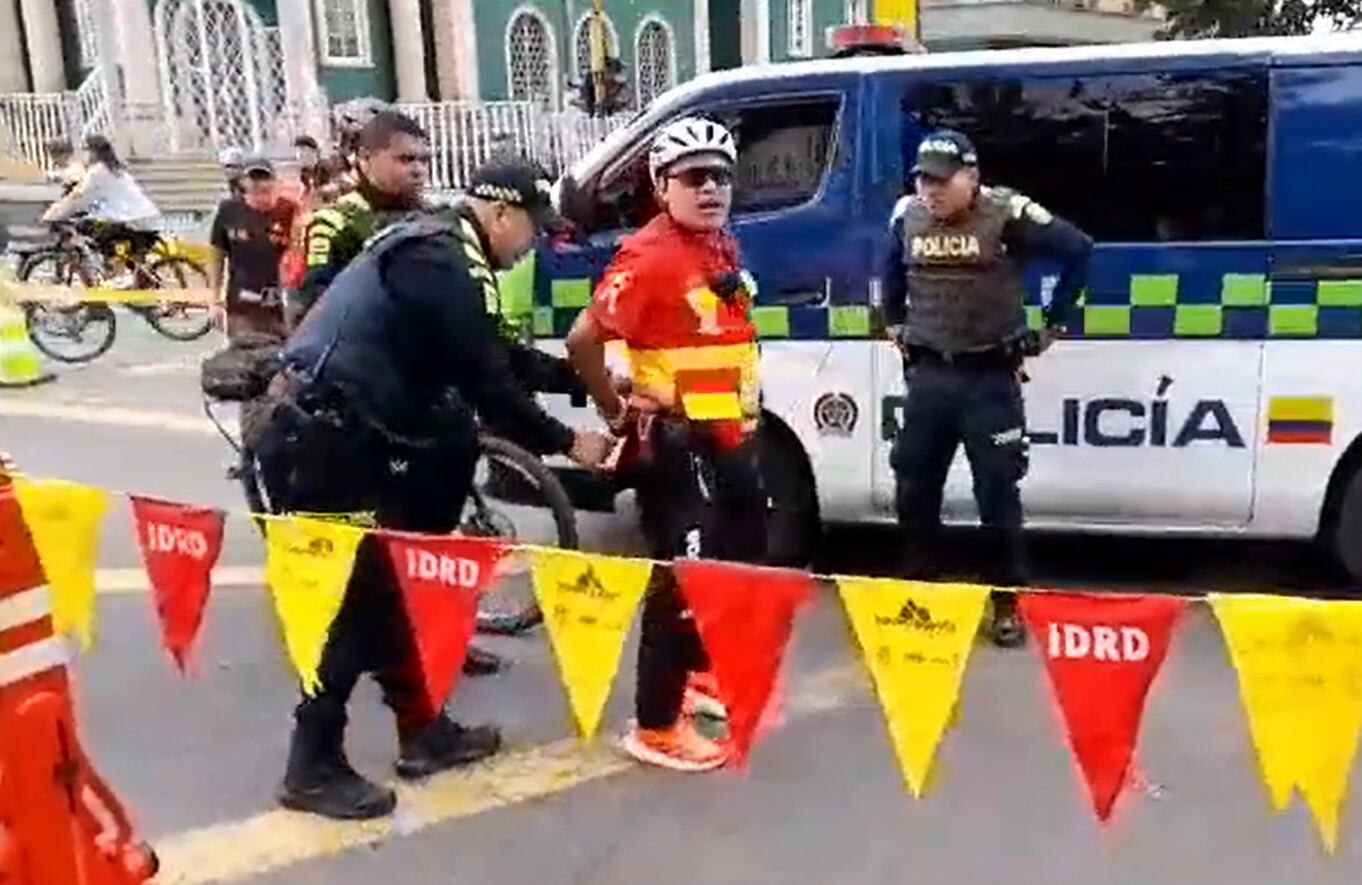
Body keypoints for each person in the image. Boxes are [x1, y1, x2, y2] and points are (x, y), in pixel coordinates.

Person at [250, 165, 613, 822]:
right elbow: (489, 385)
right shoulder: (441, 260)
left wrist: (583, 381)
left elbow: (493, 352)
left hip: (339, 436)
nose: (532, 246)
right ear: (502, 215)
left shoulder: (443, 250)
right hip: (322, 440)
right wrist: (568, 441)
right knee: (356, 606)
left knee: (384, 594)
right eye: (533, 229)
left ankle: (423, 731)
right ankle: (310, 763)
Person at [566, 116, 765, 772]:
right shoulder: (649, 255)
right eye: (694, 177)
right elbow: (582, 340)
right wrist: (614, 407)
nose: (711, 189)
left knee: (739, 555)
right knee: (683, 573)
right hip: (676, 442)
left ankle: (699, 678)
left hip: (726, 431)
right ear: (660, 185)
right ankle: (653, 723)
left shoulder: (718, 243)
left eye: (722, 176)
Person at [883, 130, 1093, 647]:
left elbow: (1079, 250)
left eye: (941, 179)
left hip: (989, 379)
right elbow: (889, 268)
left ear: (971, 177)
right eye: (923, 179)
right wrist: (892, 321)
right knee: (914, 488)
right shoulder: (905, 215)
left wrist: (1052, 326)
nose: (930, 190)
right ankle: (922, 597)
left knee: (997, 494)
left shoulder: (1008, 214)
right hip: (930, 377)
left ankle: (1005, 603)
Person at [290, 108, 428, 325]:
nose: (419, 170)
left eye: (424, 160)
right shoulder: (334, 224)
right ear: (365, 157)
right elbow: (316, 308)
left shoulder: (434, 219)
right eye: (405, 159)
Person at [207, 158, 297, 344]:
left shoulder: (289, 211)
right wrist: (214, 299)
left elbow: (298, 255)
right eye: (253, 179)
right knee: (245, 360)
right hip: (242, 304)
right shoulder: (229, 211)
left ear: (274, 182)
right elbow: (216, 254)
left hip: (280, 305)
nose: (259, 184)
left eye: (265, 178)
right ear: (243, 182)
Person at [41, 135, 161, 259]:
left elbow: (78, 198)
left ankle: (98, 268)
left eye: (84, 150)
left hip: (131, 223)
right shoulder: (116, 169)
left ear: (94, 152)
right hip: (148, 220)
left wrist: (53, 214)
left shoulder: (97, 172)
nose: (82, 155)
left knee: (86, 229)